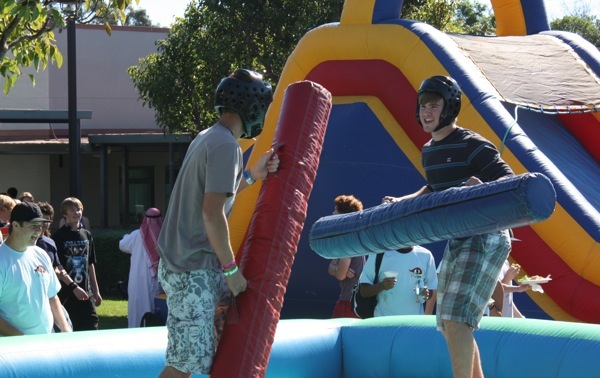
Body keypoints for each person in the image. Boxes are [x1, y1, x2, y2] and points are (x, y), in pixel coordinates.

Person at [383, 76, 514, 378]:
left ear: (450, 108)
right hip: (459, 237)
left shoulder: (473, 143)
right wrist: (403, 199)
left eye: (434, 106)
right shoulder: (429, 150)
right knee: (448, 322)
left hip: (486, 235)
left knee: (455, 319)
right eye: (423, 106)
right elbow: (434, 186)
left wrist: (481, 188)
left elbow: (510, 181)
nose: (426, 112)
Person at [156, 68, 279, 378]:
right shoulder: (225, 145)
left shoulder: (209, 137)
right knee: (184, 364)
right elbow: (212, 214)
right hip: (192, 268)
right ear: (252, 108)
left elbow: (216, 195)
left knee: (192, 359)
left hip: (185, 266)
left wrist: (253, 174)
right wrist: (232, 270)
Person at [0, 202, 71, 335]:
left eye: (40, 226)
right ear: (15, 225)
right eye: (33, 226)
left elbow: (52, 296)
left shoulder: (41, 254)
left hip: (46, 343)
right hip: (13, 350)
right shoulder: (2, 260)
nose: (39, 231)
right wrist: (23, 340)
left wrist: (65, 330)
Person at [52, 197, 102, 331]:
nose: (76, 213)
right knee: (70, 328)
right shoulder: (58, 237)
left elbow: (90, 264)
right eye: (72, 210)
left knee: (91, 324)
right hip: (67, 293)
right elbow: (58, 266)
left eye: (78, 209)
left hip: (86, 292)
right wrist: (73, 287)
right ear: (64, 214)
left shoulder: (87, 235)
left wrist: (96, 291)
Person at [359, 246, 438, 316]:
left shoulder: (426, 255)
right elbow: (364, 291)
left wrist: (425, 294)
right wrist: (382, 286)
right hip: (384, 322)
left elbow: (430, 291)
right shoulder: (378, 254)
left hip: (414, 324)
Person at [119, 207, 164, 328]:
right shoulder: (165, 236)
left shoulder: (135, 235)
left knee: (138, 310)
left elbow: (122, 245)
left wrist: (125, 235)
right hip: (157, 280)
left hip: (137, 282)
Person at [327, 195, 365, 318]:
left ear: (342, 214)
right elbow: (331, 268)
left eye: (335, 210)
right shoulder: (348, 238)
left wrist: (337, 269)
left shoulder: (348, 241)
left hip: (351, 303)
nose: (332, 213)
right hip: (348, 300)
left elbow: (340, 275)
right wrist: (337, 268)